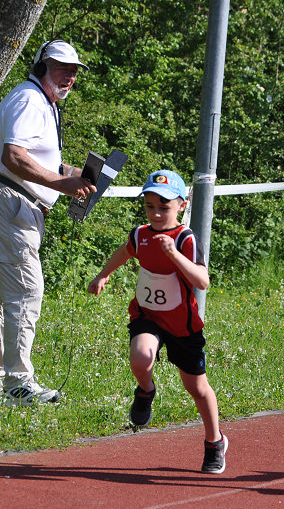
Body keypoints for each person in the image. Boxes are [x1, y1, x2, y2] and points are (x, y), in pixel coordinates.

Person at [0, 40, 96, 406]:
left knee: (0, 299)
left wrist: (76, 174)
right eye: (62, 68)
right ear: (41, 66)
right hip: (10, 202)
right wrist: (62, 184)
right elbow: (13, 156)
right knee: (26, 291)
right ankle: (19, 384)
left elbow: (34, 159)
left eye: (74, 71)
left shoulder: (40, 102)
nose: (69, 77)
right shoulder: (30, 99)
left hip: (7, 202)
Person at [87, 169, 228, 474]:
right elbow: (125, 251)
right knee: (140, 356)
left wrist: (174, 255)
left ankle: (214, 441)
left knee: (196, 387)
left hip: (182, 325)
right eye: (150, 206)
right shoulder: (140, 234)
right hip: (147, 315)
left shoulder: (185, 238)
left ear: (182, 205)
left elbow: (202, 281)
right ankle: (145, 391)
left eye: (164, 207)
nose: (156, 214)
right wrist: (103, 275)